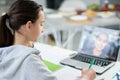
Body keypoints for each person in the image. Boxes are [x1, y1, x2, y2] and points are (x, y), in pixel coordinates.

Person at [0, 0, 96, 80]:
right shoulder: (29, 61)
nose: (43, 29)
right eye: (41, 24)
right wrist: (86, 78)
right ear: (29, 25)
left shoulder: (5, 51)